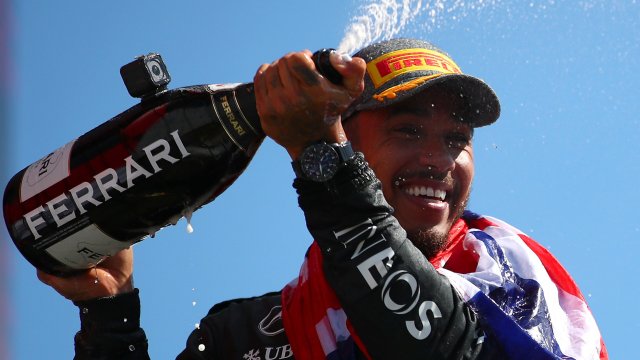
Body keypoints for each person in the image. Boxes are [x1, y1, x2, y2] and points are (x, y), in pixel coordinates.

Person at [38, 38, 607, 359]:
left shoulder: (512, 276)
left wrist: (324, 161)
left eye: (457, 140)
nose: (439, 158)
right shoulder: (246, 331)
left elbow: (450, 350)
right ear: (348, 139)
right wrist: (109, 315)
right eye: (408, 131)